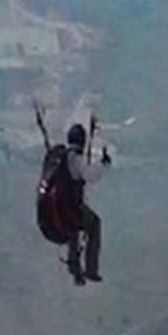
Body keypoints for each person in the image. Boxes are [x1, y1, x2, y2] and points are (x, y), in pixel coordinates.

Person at [65, 122, 111, 286]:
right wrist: (103, 163)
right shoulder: (76, 159)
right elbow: (90, 175)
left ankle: (75, 268)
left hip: (61, 207)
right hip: (73, 207)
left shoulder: (62, 158)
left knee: (73, 231)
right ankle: (91, 269)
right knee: (94, 224)